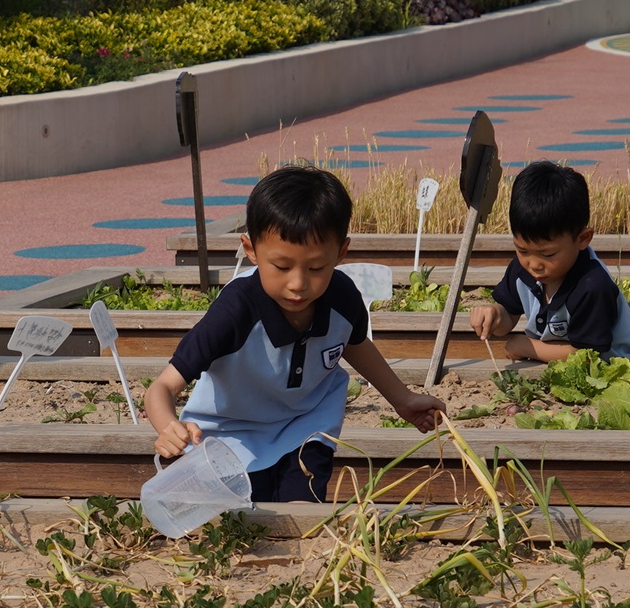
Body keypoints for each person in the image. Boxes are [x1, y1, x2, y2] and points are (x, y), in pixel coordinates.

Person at [143, 165, 445, 502]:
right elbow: (162, 387)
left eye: (316, 268)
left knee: (301, 502)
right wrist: (168, 425)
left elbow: (356, 345)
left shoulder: (342, 297)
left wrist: (402, 399)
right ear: (251, 249)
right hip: (231, 433)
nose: (299, 284)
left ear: (341, 253)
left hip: (306, 424)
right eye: (282, 267)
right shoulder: (235, 310)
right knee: (242, 515)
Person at [467, 160, 630, 361]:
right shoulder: (521, 271)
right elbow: (509, 315)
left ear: (583, 239)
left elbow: (587, 356)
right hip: (554, 369)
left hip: (610, 373)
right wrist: (495, 315)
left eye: (548, 255)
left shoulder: (592, 285)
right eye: (522, 250)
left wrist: (527, 347)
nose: (534, 264)